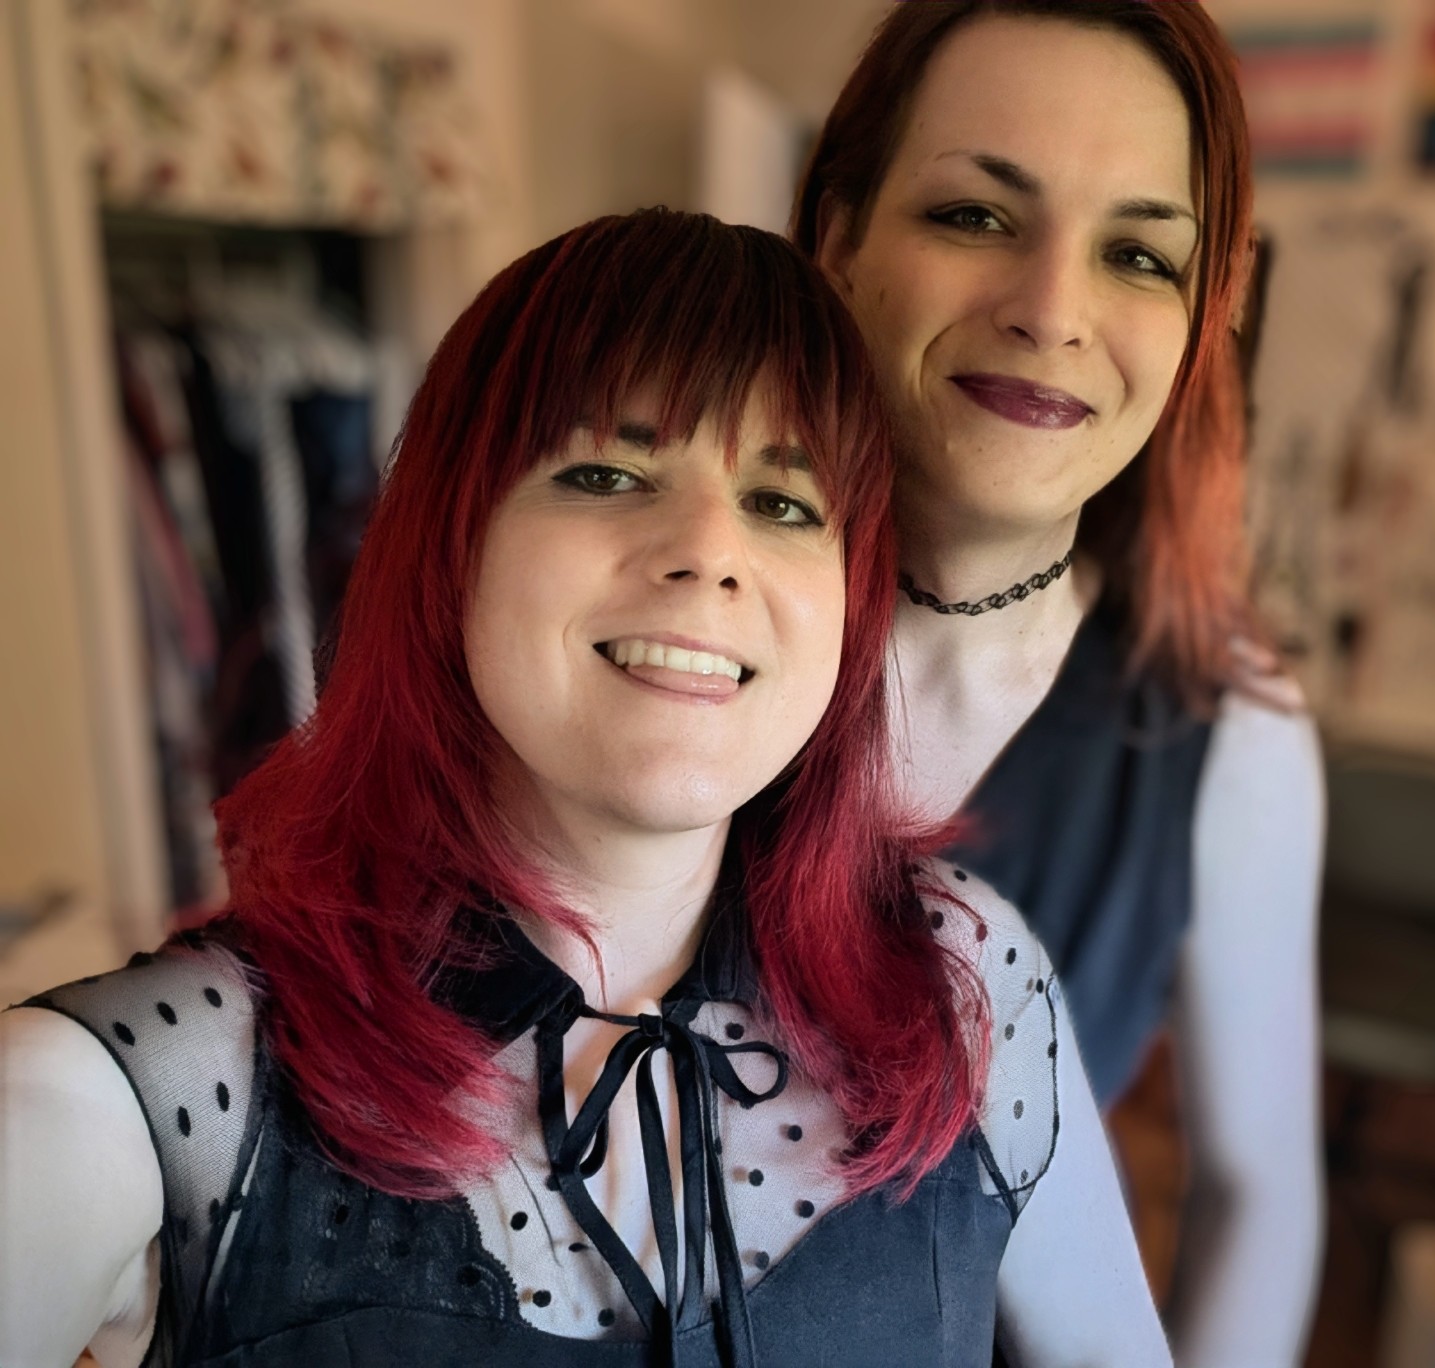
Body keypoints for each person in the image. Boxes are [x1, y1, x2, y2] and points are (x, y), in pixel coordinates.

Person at [0, 211, 1166, 1368]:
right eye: (605, 471)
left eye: (783, 502)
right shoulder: (144, 1096)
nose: (711, 550)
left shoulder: (969, 984)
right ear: (452, 547)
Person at [794, 3, 1326, 1363]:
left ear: (1208, 317)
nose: (1050, 311)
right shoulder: (663, 629)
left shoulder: (1225, 734)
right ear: (838, 238)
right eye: (976, 216)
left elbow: (1260, 1189)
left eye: (1139, 253)